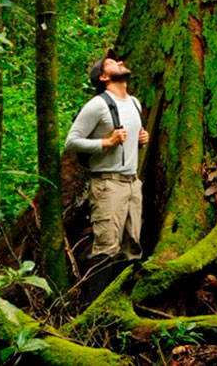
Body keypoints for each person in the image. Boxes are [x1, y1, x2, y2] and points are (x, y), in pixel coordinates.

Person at [64, 48, 149, 301]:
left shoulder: (134, 102)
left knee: (132, 247)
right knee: (106, 247)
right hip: (108, 185)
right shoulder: (97, 106)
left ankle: (121, 304)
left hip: (133, 183)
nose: (120, 62)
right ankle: (93, 311)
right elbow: (71, 142)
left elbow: (132, 138)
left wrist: (141, 139)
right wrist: (105, 142)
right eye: (113, 62)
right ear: (103, 77)